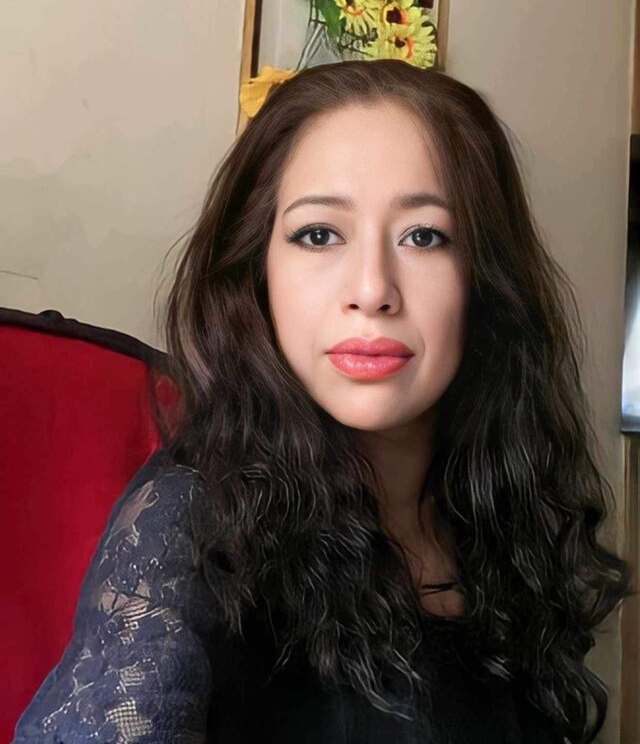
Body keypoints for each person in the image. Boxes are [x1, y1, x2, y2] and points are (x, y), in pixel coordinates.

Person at [12, 60, 632, 743]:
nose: (372, 289)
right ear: (258, 274)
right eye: (318, 234)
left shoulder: (509, 517)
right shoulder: (187, 525)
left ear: (485, 280)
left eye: (424, 236)